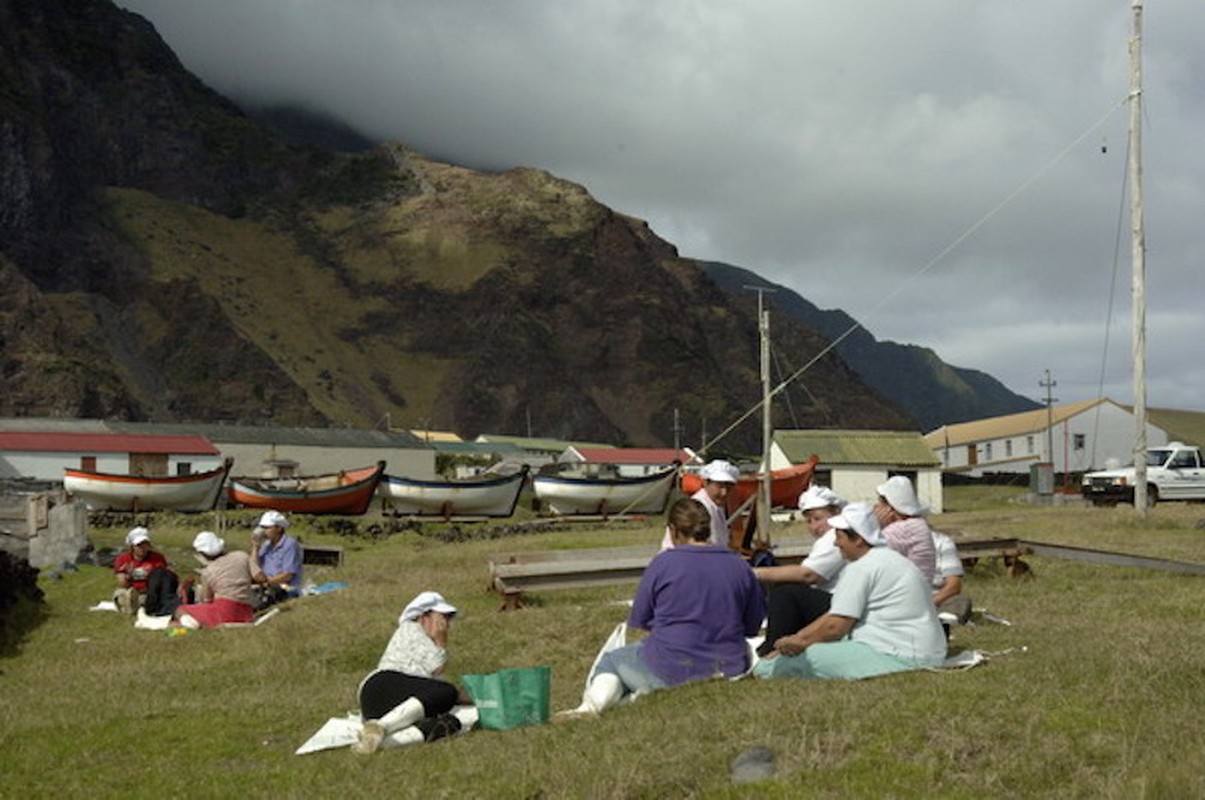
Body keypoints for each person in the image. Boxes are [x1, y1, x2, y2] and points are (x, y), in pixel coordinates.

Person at [576, 497, 765, 714]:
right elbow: (752, 625)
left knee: (612, 660)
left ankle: (590, 707)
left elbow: (641, 619)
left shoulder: (663, 563)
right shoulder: (739, 566)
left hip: (670, 666)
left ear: (673, 530)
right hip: (729, 665)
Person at [754, 502, 947, 681]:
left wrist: (796, 645)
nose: (836, 544)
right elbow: (835, 617)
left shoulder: (862, 567)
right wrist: (798, 639)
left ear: (859, 540)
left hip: (897, 653)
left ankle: (765, 666)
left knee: (784, 664)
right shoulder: (892, 559)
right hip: (927, 650)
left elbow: (835, 626)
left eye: (839, 537)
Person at [353, 591, 472, 754]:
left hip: (387, 703)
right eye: (443, 617)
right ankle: (382, 726)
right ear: (424, 617)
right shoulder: (411, 629)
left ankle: (376, 741)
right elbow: (437, 667)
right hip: (382, 685)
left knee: (449, 723)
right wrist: (441, 639)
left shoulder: (421, 638)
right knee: (446, 691)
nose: (447, 624)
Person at [754, 485, 847, 656]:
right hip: (836, 600)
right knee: (788, 591)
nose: (813, 526)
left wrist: (755, 573)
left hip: (841, 605)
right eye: (809, 521)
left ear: (835, 514)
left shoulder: (834, 536)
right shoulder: (831, 537)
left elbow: (808, 574)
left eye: (818, 518)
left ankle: (773, 648)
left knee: (786, 593)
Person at [172, 531, 256, 629]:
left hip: (225, 612)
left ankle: (191, 624)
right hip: (246, 612)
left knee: (180, 609)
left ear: (203, 554)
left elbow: (207, 600)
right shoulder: (241, 556)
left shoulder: (208, 572)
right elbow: (259, 577)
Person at [660, 459, 739, 550]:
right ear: (705, 483)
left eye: (728, 487)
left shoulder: (716, 507)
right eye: (719, 486)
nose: (724, 492)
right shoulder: (699, 508)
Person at [873, 476, 937, 586]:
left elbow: (866, 555)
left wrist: (875, 526)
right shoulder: (917, 524)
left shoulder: (903, 529)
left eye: (880, 502)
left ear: (890, 508)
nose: (875, 506)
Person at [112, 526, 175, 615]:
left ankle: (137, 606)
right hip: (132, 589)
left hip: (150, 592)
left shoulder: (157, 558)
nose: (142, 548)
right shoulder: (123, 559)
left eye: (145, 544)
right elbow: (122, 584)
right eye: (139, 545)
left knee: (147, 598)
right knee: (121, 593)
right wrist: (128, 577)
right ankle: (131, 604)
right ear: (132, 546)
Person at [249, 509, 303, 609]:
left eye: (267, 528)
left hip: (285, 588)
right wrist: (255, 547)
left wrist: (266, 581)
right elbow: (255, 567)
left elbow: (287, 575)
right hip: (267, 585)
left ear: (278, 528)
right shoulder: (266, 545)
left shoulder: (290, 545)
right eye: (262, 528)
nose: (264, 531)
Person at [931, 529, 972, 628]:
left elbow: (954, 585)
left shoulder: (942, 542)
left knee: (961, 602)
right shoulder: (888, 541)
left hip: (935, 598)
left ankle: (943, 620)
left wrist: (931, 603)